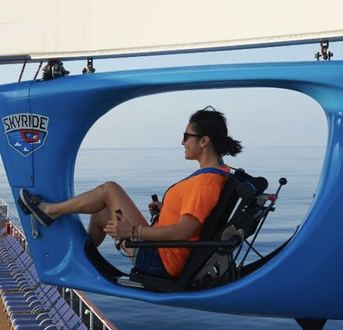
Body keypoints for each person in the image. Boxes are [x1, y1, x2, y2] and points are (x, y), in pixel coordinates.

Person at [19, 106, 243, 279]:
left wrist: (133, 231)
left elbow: (183, 232)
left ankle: (49, 211)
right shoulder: (217, 174)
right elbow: (196, 218)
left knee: (109, 189)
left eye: (186, 136)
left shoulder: (204, 183)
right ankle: (76, 258)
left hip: (159, 260)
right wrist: (167, 211)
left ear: (204, 141)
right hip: (161, 253)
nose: (182, 142)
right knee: (101, 214)